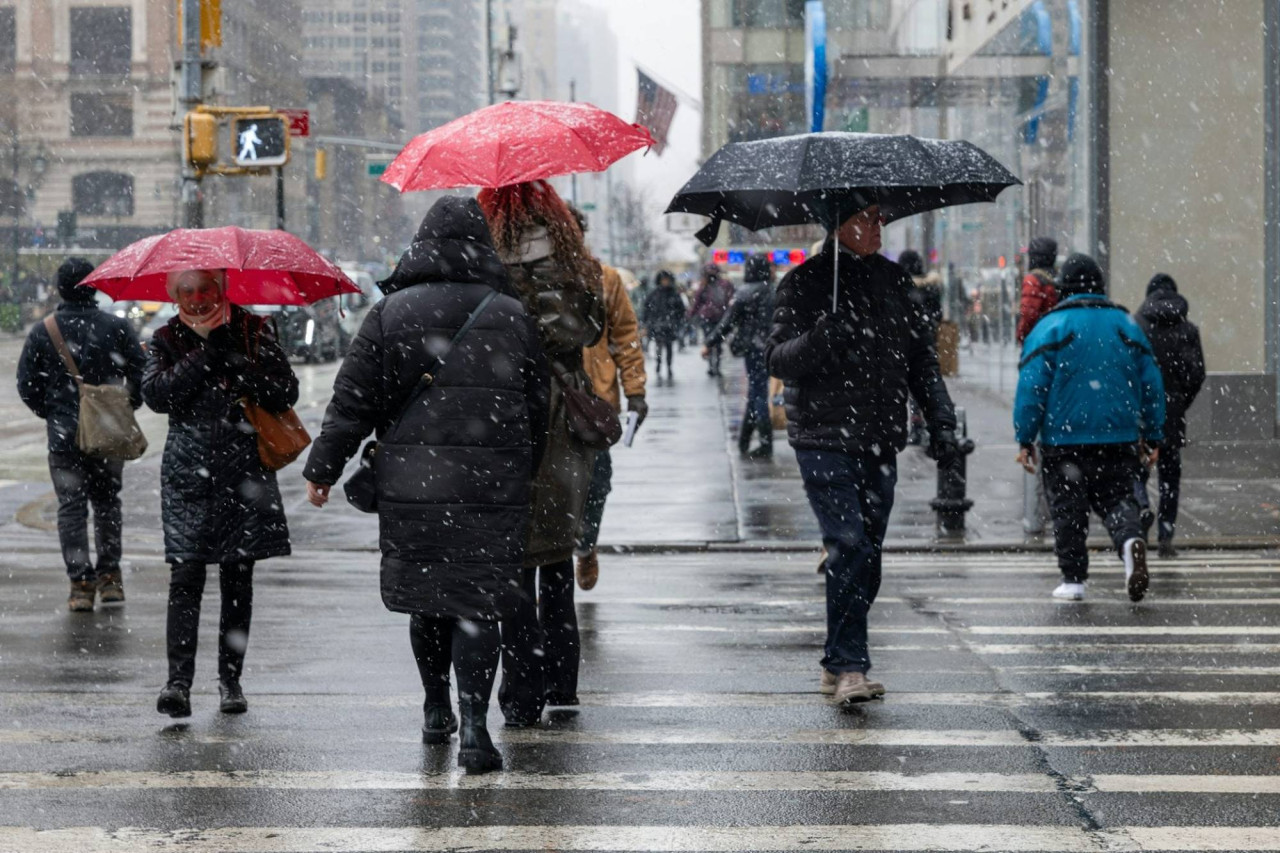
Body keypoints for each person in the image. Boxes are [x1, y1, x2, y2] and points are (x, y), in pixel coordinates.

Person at [302, 197, 549, 773]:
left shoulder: (390, 313)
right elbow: (538, 404)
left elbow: (351, 402)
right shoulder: (511, 313)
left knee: (429, 601)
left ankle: (437, 706)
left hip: (414, 485)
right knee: (478, 604)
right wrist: (522, 466)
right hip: (491, 486)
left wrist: (322, 469)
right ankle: (476, 731)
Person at [766, 204, 959, 708]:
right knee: (849, 544)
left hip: (879, 437)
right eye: (867, 219)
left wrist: (940, 421)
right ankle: (851, 667)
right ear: (840, 224)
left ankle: (836, 659)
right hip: (823, 438)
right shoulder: (804, 283)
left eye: (880, 219)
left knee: (868, 555)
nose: (878, 227)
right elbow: (778, 358)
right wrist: (820, 339)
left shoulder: (895, 282)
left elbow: (921, 359)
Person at [143, 269, 298, 719]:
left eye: (205, 289)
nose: (196, 299)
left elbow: (286, 391)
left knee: (237, 578)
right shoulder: (167, 336)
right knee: (185, 576)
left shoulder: (252, 329)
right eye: (186, 291)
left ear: (221, 289)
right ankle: (178, 684)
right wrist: (206, 355)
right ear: (175, 295)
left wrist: (242, 367)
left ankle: (231, 681)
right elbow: (156, 394)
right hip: (188, 474)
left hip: (243, 471)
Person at [477, 180, 605, 726]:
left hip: (503, 410)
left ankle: (521, 693)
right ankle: (562, 682)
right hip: (562, 418)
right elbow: (591, 329)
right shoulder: (574, 256)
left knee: (512, 567)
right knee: (555, 557)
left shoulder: (485, 257)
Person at [1014, 253, 1165, 603]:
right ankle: (1130, 542)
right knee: (1116, 499)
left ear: (1063, 288)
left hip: (1064, 438)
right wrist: (1153, 434)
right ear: (1100, 286)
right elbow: (1151, 384)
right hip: (1119, 435)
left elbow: (1031, 387)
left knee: (1069, 509)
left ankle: (1074, 580)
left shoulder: (1051, 327)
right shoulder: (1127, 325)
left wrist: (1025, 437)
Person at [17, 257, 145, 612]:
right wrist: (123, 405)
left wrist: (54, 412)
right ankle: (111, 579)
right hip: (107, 433)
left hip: (64, 436)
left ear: (60, 288)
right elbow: (140, 372)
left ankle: (81, 585)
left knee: (71, 509)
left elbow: (26, 385)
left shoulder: (44, 330)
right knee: (107, 504)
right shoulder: (115, 327)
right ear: (94, 286)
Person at [574, 211, 648, 591]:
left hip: (594, 401)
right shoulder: (531, 279)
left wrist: (635, 391)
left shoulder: (605, 279)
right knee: (549, 486)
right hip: (547, 401)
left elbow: (626, 336)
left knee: (598, 481)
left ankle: (585, 545)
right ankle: (553, 559)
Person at [1133, 273, 1205, 558]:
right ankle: (1166, 536)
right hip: (1173, 411)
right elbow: (1196, 374)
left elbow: (1131, 370)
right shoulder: (1188, 330)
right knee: (1170, 477)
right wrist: (1178, 402)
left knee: (1138, 470)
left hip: (1143, 410)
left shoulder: (1138, 326)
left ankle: (1141, 508)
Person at [705, 253, 775, 459]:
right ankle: (746, 440)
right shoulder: (773, 291)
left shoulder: (744, 293)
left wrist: (710, 342)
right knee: (757, 391)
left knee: (758, 393)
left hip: (752, 349)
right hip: (770, 347)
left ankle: (763, 442)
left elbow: (727, 323)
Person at [898, 250, 943, 446]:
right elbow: (938, 314)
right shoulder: (931, 286)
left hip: (903, 342)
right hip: (926, 341)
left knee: (905, 386)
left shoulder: (901, 286)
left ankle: (914, 427)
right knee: (925, 383)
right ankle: (931, 426)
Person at [689, 263, 735, 376]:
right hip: (711, 318)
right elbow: (697, 303)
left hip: (717, 318)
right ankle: (712, 365)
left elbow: (697, 303)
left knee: (715, 342)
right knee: (712, 342)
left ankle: (715, 365)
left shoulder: (722, 285)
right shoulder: (706, 286)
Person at [643, 270, 685, 383]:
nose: (665, 282)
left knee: (669, 348)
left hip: (669, 326)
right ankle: (659, 364)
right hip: (658, 326)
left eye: (667, 279)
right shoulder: (654, 294)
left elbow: (681, 310)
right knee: (659, 347)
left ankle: (669, 366)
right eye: (663, 280)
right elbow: (647, 309)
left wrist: (676, 321)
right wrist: (648, 322)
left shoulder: (674, 294)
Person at [1016, 236, 1059, 344]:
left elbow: (1028, 314)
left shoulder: (1033, 280)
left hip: (1039, 339)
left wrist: (1021, 335)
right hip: (1055, 335)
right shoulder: (1057, 277)